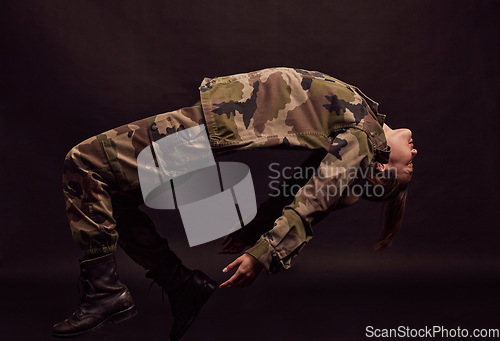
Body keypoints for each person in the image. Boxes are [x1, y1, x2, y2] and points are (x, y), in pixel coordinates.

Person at [52, 67, 417, 339]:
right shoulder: (364, 122)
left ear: (381, 169)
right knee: (112, 194)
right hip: (214, 129)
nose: (415, 151)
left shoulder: (363, 139)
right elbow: (299, 184)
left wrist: (264, 253)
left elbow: (318, 194)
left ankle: (104, 292)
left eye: (410, 165)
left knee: (83, 163)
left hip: (205, 132)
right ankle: (179, 283)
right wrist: (254, 231)